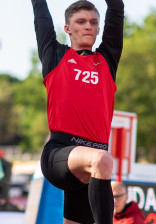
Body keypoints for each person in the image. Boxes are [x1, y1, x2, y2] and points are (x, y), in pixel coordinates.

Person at [31, 0, 124, 223]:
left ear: (99, 29)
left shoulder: (106, 61)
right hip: (60, 154)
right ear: (68, 29)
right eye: (80, 22)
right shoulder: (55, 55)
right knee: (102, 159)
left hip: (91, 171)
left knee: (100, 160)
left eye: (93, 22)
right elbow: (40, 11)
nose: (88, 26)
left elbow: (116, 8)